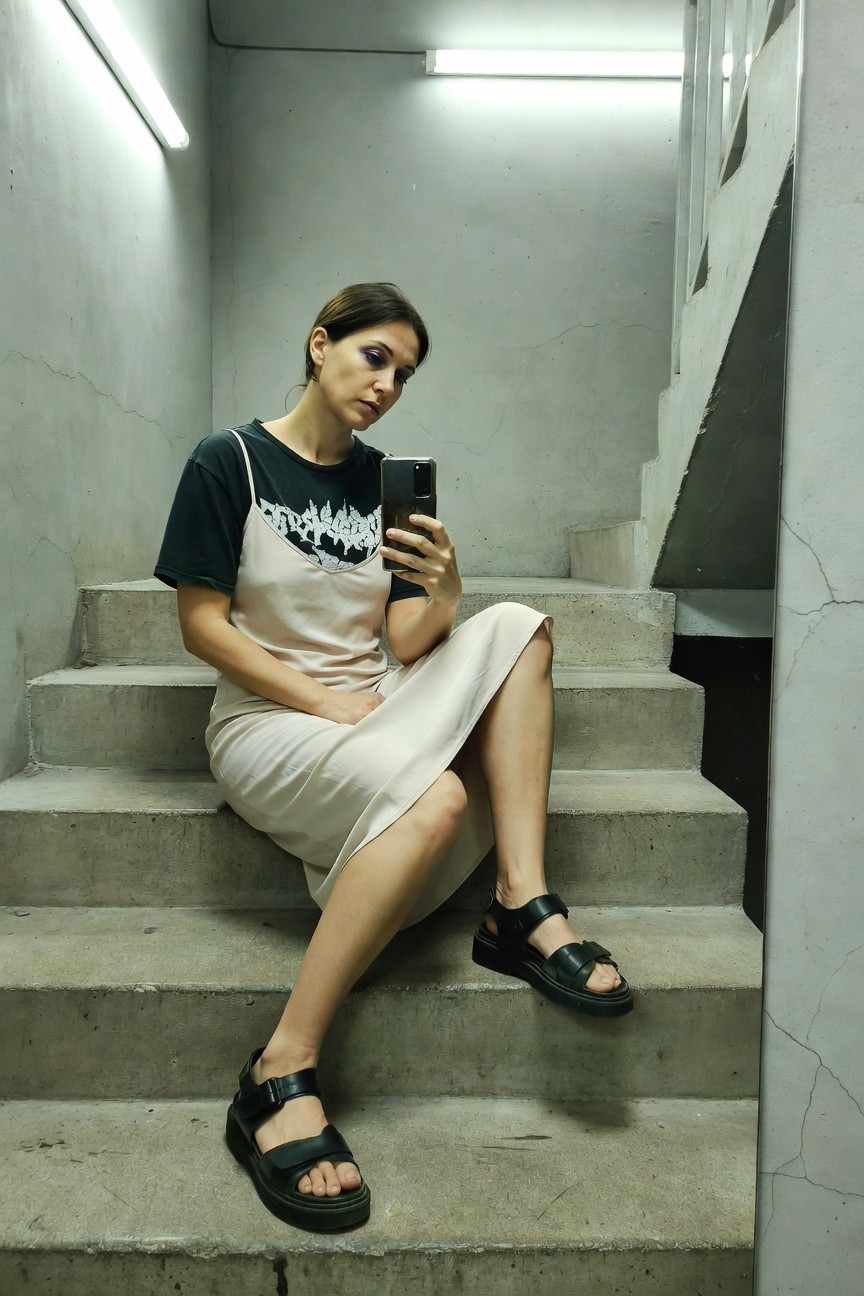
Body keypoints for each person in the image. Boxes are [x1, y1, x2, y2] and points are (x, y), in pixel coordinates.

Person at [155, 282, 632, 1234]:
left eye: (404, 374)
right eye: (374, 357)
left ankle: (520, 902)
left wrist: (445, 591)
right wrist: (323, 701)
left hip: (378, 700)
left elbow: (409, 642)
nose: (387, 385)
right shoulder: (229, 460)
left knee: (520, 626)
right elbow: (202, 626)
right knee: (439, 803)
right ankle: (280, 1068)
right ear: (319, 345)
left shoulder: (385, 482)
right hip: (270, 722)